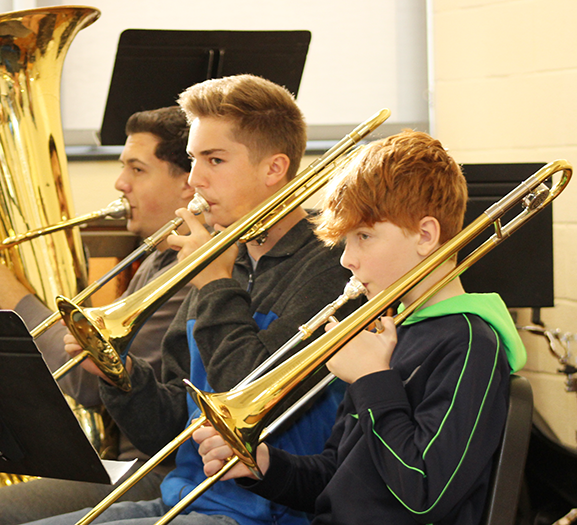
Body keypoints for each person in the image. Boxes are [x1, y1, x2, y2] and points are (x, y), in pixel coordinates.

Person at [21, 74, 355, 525]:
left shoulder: (331, 265)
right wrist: (120, 377)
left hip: (268, 513)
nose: (195, 179)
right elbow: (170, 431)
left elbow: (254, 406)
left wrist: (216, 285)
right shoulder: (222, 256)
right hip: (188, 498)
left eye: (215, 160)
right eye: (195, 159)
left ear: (274, 169)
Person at [193, 130, 527, 525]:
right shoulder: (390, 331)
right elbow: (336, 480)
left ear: (425, 235)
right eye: (347, 240)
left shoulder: (468, 342)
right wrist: (263, 466)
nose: (347, 259)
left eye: (364, 237)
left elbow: (424, 494)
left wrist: (372, 380)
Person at [0, 106, 196, 525]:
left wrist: (10, 294)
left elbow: (88, 384)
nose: (121, 184)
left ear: (189, 187)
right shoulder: (155, 256)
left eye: (137, 170)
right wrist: (16, 257)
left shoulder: (187, 274)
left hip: (160, 468)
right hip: (130, 458)